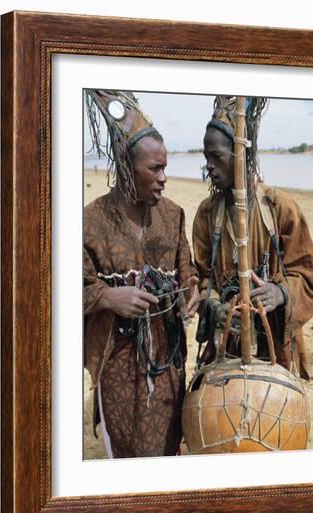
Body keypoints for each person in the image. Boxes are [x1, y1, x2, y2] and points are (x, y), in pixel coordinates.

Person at [83, 90, 199, 458]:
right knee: (126, 451)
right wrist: (107, 296)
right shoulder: (89, 222)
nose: (164, 177)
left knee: (168, 446)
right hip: (116, 361)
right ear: (125, 166)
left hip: (168, 361)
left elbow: (187, 270)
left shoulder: (174, 214)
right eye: (155, 168)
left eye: (165, 167)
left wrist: (190, 291)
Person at [193, 96, 313, 379]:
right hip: (225, 347)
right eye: (206, 158)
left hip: (277, 348)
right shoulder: (206, 214)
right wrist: (216, 306)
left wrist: (280, 292)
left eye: (216, 157)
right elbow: (201, 278)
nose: (209, 167)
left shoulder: (280, 208)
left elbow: (309, 277)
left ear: (240, 155)